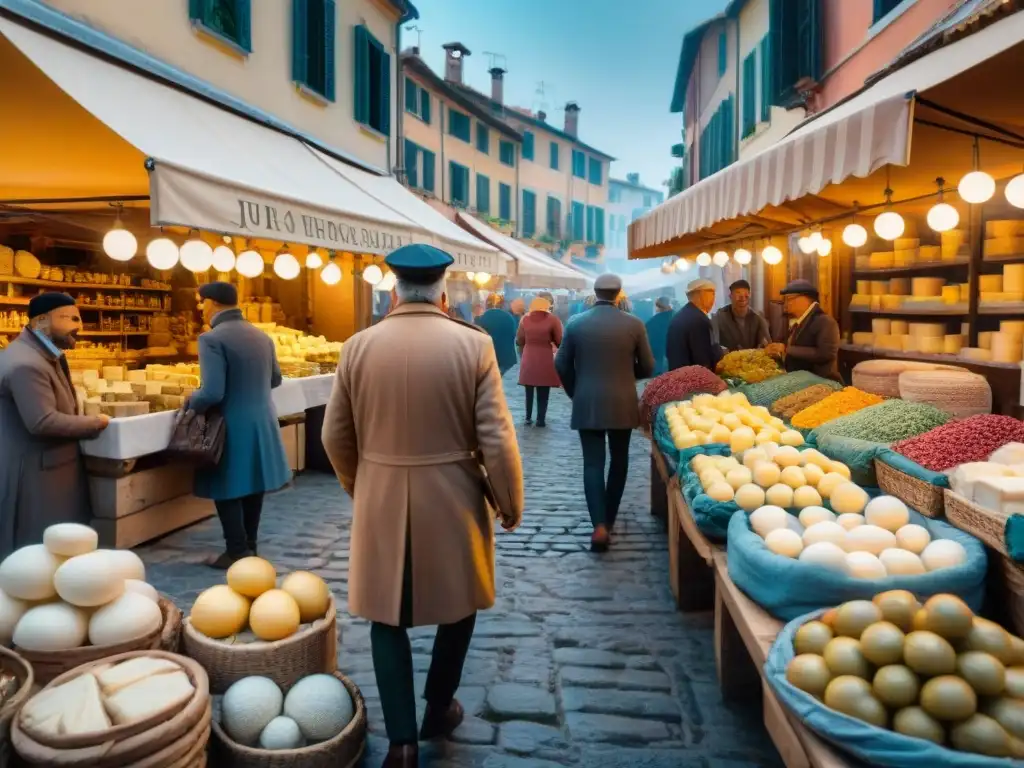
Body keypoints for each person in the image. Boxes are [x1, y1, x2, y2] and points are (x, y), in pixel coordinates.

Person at [322, 244, 523, 768]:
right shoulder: (472, 346)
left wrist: (360, 485)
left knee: (384, 615)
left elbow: (334, 435)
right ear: (442, 291)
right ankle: (438, 706)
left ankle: (403, 743)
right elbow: (497, 437)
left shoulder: (357, 346)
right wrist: (508, 499)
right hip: (453, 491)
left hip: (381, 490)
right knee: (460, 604)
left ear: (394, 289)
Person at [189, 282, 291, 569]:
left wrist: (190, 403)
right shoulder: (261, 336)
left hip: (230, 421)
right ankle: (250, 546)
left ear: (211, 303)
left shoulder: (212, 339)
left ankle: (235, 551)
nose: (201, 308)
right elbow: (275, 379)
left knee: (227, 486)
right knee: (252, 484)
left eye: (202, 303)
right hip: (261, 419)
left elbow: (212, 392)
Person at [0, 293, 110, 556]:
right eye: (69, 318)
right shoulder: (26, 363)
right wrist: (96, 422)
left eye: (79, 318)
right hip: (36, 474)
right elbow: (42, 421)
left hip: (48, 469)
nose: (78, 326)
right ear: (41, 321)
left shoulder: (42, 354)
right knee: (36, 551)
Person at [555, 273, 655, 552]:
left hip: (587, 399)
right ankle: (609, 519)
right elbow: (647, 366)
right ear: (619, 293)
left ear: (594, 291)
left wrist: (577, 390)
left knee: (592, 463)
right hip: (622, 399)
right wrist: (625, 374)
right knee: (620, 460)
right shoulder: (634, 324)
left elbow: (561, 365)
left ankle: (598, 524)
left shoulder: (575, 323)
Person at [764, 279, 842, 381]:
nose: (786, 304)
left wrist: (786, 349)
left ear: (804, 299)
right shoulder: (798, 322)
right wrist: (777, 353)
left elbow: (825, 353)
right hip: (799, 381)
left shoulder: (825, 321)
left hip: (821, 383)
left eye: (790, 299)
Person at [516, 296, 563, 427]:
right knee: (544, 389)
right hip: (545, 356)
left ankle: (528, 416)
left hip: (529, 354)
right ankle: (540, 419)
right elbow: (559, 340)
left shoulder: (524, 319)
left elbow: (520, 339)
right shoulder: (553, 320)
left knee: (529, 388)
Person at [666, 278, 723, 372]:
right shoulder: (699, 320)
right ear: (701, 295)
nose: (714, 299)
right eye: (712, 293)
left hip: (677, 377)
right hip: (693, 380)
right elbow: (703, 360)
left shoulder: (680, 316)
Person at [713, 279, 771, 352]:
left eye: (745, 294)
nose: (742, 298)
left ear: (749, 295)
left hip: (752, 359)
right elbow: (714, 344)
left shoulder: (757, 317)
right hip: (728, 360)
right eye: (738, 293)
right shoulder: (719, 316)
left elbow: (767, 343)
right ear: (730, 296)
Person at [475, 294, 518, 376]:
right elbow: (514, 334)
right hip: (507, 357)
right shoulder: (509, 316)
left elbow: (476, 334)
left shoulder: (484, 317)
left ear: (487, 303)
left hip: (489, 356)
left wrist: (476, 318)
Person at [644, 296, 676, 377]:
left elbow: (648, 346)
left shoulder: (651, 323)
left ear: (657, 307)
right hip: (678, 365)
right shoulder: (679, 318)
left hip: (658, 366)